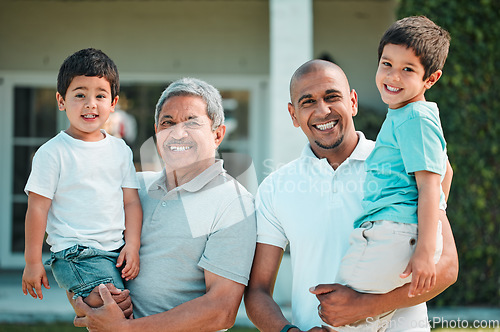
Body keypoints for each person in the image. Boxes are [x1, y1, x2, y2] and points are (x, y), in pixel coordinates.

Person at [244, 59, 458, 332]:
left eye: (332, 97)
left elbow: (447, 268)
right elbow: (257, 291)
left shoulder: (405, 161)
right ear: (293, 114)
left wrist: (365, 307)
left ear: (353, 101)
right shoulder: (275, 187)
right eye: (307, 102)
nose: (323, 110)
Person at [72, 77, 257, 332]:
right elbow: (84, 249)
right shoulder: (134, 188)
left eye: (191, 123)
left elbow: (220, 310)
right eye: (167, 123)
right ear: (157, 131)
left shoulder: (233, 203)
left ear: (218, 134)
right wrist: (94, 304)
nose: (177, 133)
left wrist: (125, 330)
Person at [331, 16, 451, 331]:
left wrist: (425, 250)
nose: (393, 76)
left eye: (407, 69)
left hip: (392, 235)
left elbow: (430, 186)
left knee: (340, 315)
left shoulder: (414, 117)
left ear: (431, 79)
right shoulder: (407, 115)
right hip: (403, 235)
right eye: (387, 64)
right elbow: (446, 173)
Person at [22, 48, 143, 311]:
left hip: (115, 252)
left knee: (126, 312)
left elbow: (131, 203)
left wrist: (132, 245)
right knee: (114, 311)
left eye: (100, 95)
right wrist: (32, 261)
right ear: (61, 100)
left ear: (113, 103)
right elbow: (37, 208)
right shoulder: (52, 152)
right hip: (75, 254)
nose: (90, 104)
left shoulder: (121, 150)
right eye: (80, 95)